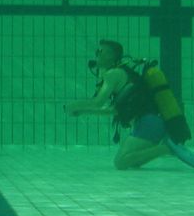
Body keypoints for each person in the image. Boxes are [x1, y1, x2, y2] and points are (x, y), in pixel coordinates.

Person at [66, 40, 174, 169]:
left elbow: (97, 102)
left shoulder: (113, 74)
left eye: (100, 51)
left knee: (121, 162)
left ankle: (166, 148)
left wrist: (73, 105)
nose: (96, 53)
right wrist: (82, 111)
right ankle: (165, 147)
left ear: (110, 55)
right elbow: (114, 110)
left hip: (148, 123)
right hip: (153, 122)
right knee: (132, 161)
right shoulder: (122, 73)